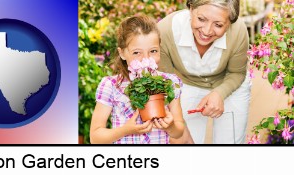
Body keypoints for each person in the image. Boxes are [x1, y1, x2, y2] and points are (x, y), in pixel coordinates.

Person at [158, 0, 251, 144]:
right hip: (183, 85)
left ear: (229, 23)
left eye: (218, 25)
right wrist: (178, 122)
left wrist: (219, 93)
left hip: (230, 83)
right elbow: (166, 81)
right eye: (201, 19)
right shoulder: (165, 31)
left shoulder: (238, 31)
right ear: (191, 9)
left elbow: (236, 73)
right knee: (186, 140)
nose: (207, 31)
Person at [90, 15, 192, 144]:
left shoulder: (170, 82)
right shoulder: (111, 85)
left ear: (160, 49)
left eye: (153, 51)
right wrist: (126, 130)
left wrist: (170, 126)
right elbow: (95, 138)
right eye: (137, 52)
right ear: (122, 53)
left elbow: (179, 131)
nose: (146, 59)